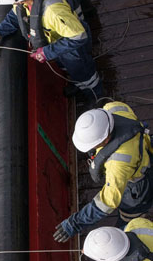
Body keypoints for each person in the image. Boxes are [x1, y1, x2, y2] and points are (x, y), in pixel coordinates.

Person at [0, 0, 101, 100]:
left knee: (85, 74)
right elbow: (14, 18)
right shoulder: (25, 2)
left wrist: (47, 52)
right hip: (56, 46)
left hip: (72, 49)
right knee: (70, 70)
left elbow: (79, 36)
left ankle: (96, 97)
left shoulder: (53, 11)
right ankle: (79, 84)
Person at [54, 102, 153, 242]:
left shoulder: (118, 163)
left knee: (130, 215)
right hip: (145, 151)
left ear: (105, 139)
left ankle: (128, 229)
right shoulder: (113, 108)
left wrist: (75, 223)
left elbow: (108, 201)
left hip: (137, 186)